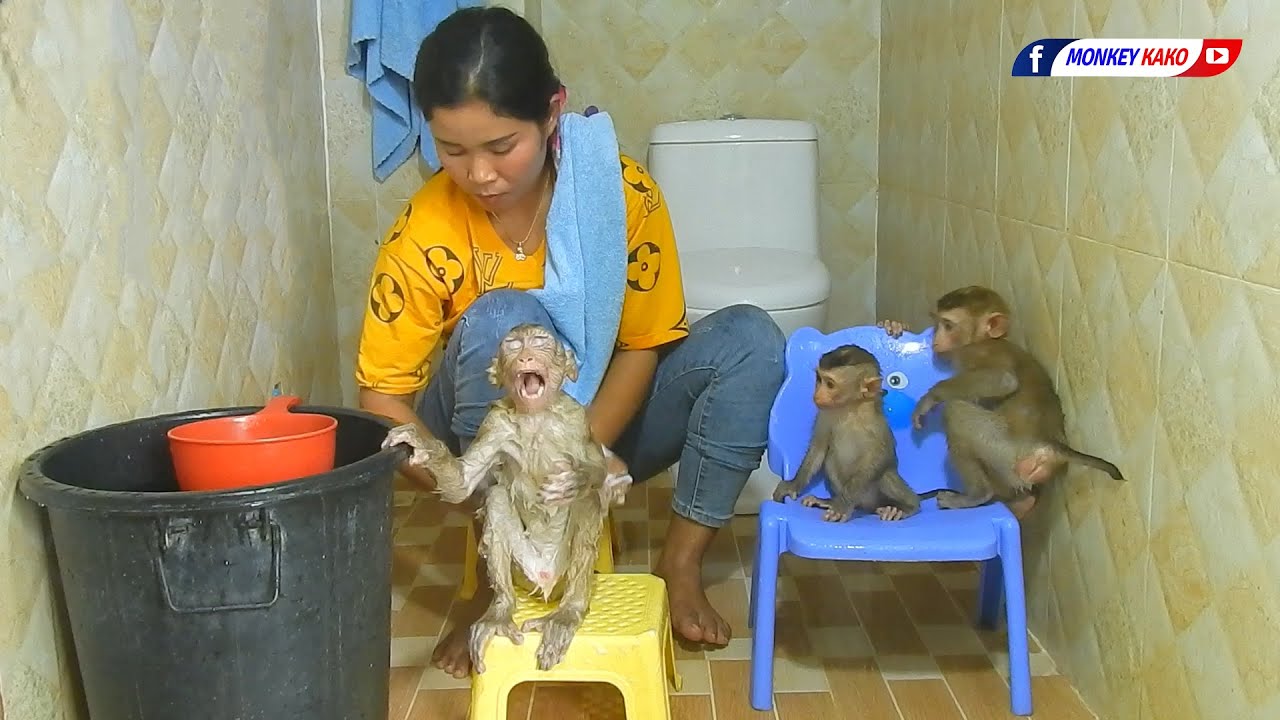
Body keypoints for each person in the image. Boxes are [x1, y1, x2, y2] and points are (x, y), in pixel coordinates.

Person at [355, 6, 785, 679]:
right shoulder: (425, 231)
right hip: (482, 442)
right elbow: (382, 396)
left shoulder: (620, 196)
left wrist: (576, 457)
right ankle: (495, 584)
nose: (480, 174)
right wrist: (470, 489)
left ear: (551, 114)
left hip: (594, 427)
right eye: (453, 150)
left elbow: (643, 345)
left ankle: (679, 564)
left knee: (751, 339)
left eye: (501, 147)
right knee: (507, 321)